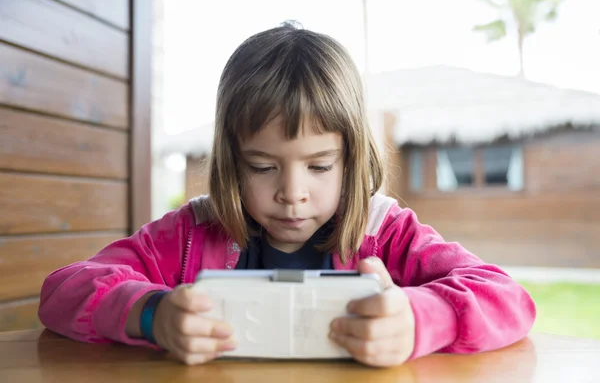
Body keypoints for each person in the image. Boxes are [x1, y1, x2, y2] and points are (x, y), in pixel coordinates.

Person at [38, 22, 536, 367]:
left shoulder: (385, 233)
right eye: (262, 166)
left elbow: (507, 298)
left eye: (319, 166)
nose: (292, 194)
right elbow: (63, 289)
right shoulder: (191, 233)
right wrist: (151, 315)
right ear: (233, 162)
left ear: (352, 158)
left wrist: (419, 319)